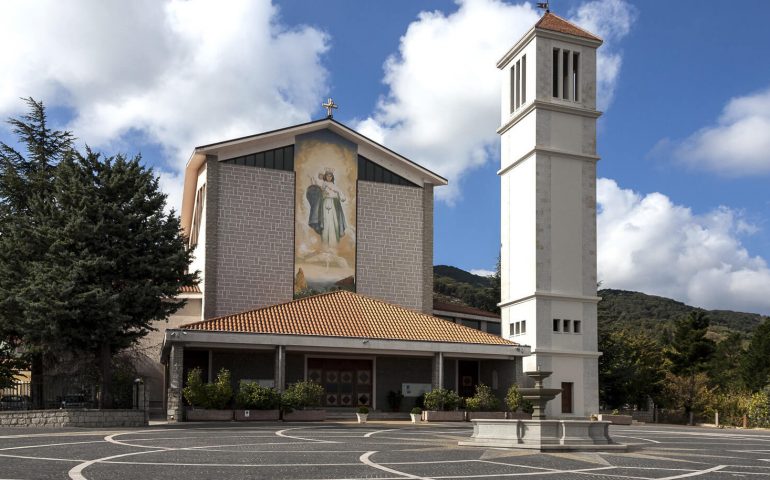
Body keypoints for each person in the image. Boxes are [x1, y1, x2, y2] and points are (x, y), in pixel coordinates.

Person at [306, 169, 346, 248]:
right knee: (325, 223)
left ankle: (333, 244)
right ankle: (325, 245)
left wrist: (340, 196)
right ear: (325, 176)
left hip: (334, 205)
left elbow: (341, 195)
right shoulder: (323, 184)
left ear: (332, 177)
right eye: (328, 175)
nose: (329, 177)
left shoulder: (334, 186)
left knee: (334, 222)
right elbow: (318, 186)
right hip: (325, 204)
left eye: (330, 176)